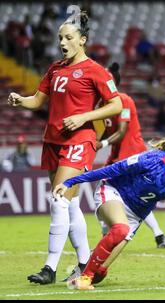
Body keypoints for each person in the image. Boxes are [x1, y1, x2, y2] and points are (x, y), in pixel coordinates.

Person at [7, 11, 123, 284]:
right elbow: (37, 101)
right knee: (68, 205)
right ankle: (85, 263)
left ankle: (50, 268)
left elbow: (115, 104)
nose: (62, 42)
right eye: (60, 37)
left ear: (82, 40)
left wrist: (84, 117)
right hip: (53, 140)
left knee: (59, 199)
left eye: (69, 37)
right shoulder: (55, 68)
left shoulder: (95, 70)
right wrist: (19, 100)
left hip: (79, 140)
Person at [53, 133, 165, 290]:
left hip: (136, 214)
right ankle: (84, 278)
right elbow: (113, 169)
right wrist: (71, 182)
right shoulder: (150, 160)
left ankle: (82, 272)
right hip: (114, 191)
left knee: (99, 274)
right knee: (121, 229)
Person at [96, 62, 165, 249]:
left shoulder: (124, 100)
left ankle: (156, 234)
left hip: (132, 154)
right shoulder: (101, 105)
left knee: (120, 195)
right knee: (122, 195)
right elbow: (107, 130)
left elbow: (121, 131)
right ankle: (158, 235)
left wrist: (101, 144)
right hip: (117, 155)